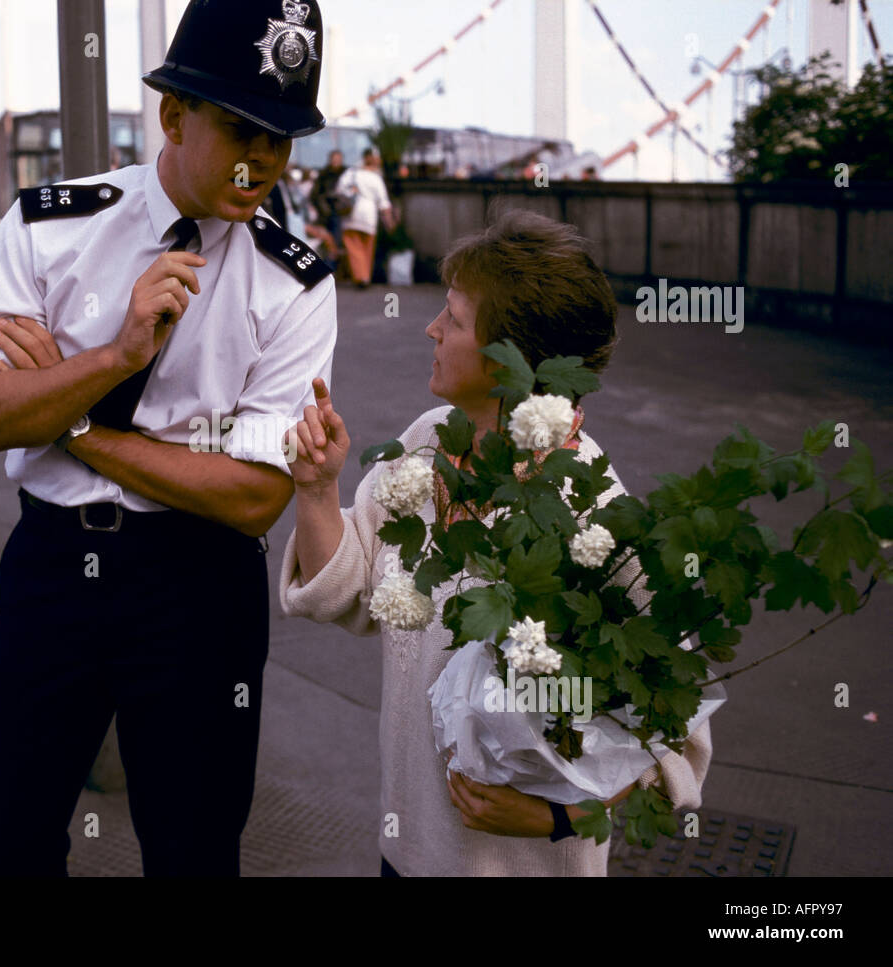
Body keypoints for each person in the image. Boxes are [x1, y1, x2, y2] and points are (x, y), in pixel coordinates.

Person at [0, 0, 337, 876]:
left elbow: (251, 498)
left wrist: (70, 418)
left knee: (195, 849)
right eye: (242, 128)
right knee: (3, 841)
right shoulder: (52, 225)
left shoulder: (296, 283)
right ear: (173, 115)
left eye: (282, 137)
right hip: (55, 570)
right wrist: (117, 355)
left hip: (200, 587)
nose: (263, 159)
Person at [278, 209, 713, 875]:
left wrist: (556, 817)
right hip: (406, 853)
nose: (431, 328)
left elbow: (678, 727)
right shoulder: (427, 441)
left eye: (451, 319)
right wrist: (315, 487)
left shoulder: (600, 520)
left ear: (508, 358)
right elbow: (351, 589)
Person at [335, 147, 395, 288]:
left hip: (352, 214)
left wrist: (351, 191)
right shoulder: (376, 178)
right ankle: (365, 276)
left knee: (354, 247)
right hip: (370, 216)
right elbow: (384, 203)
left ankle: (360, 277)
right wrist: (389, 222)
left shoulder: (352, 173)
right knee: (367, 248)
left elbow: (339, 189)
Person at [310, 149, 347, 268]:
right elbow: (315, 195)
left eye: (338, 159)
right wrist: (323, 207)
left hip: (341, 213)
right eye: (334, 159)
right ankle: (328, 268)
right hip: (326, 214)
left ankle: (330, 267)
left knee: (337, 242)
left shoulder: (346, 173)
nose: (336, 161)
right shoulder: (324, 174)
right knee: (330, 242)